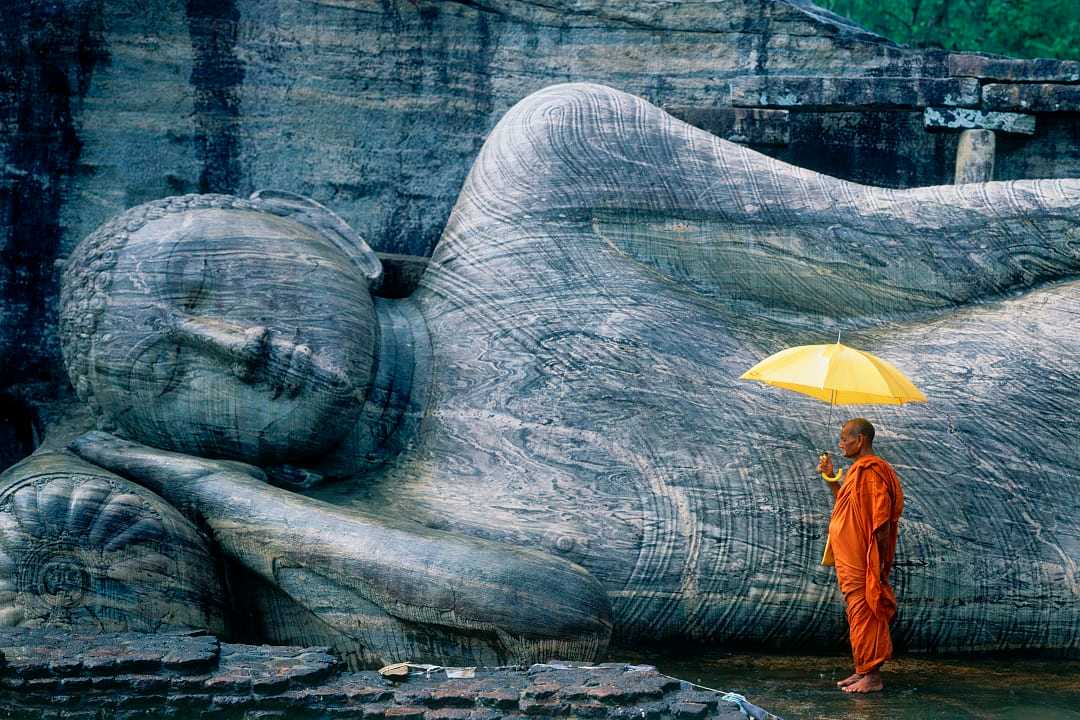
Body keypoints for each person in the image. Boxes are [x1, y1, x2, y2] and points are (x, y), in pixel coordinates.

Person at [818, 418, 904, 693]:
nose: (840, 443)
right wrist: (830, 476)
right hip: (851, 554)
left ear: (861, 439)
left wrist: (875, 560)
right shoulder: (857, 471)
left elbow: (880, 521)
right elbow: (848, 504)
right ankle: (862, 669)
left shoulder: (871, 471)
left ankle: (873, 676)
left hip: (863, 556)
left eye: (845, 438)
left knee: (866, 610)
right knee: (857, 610)